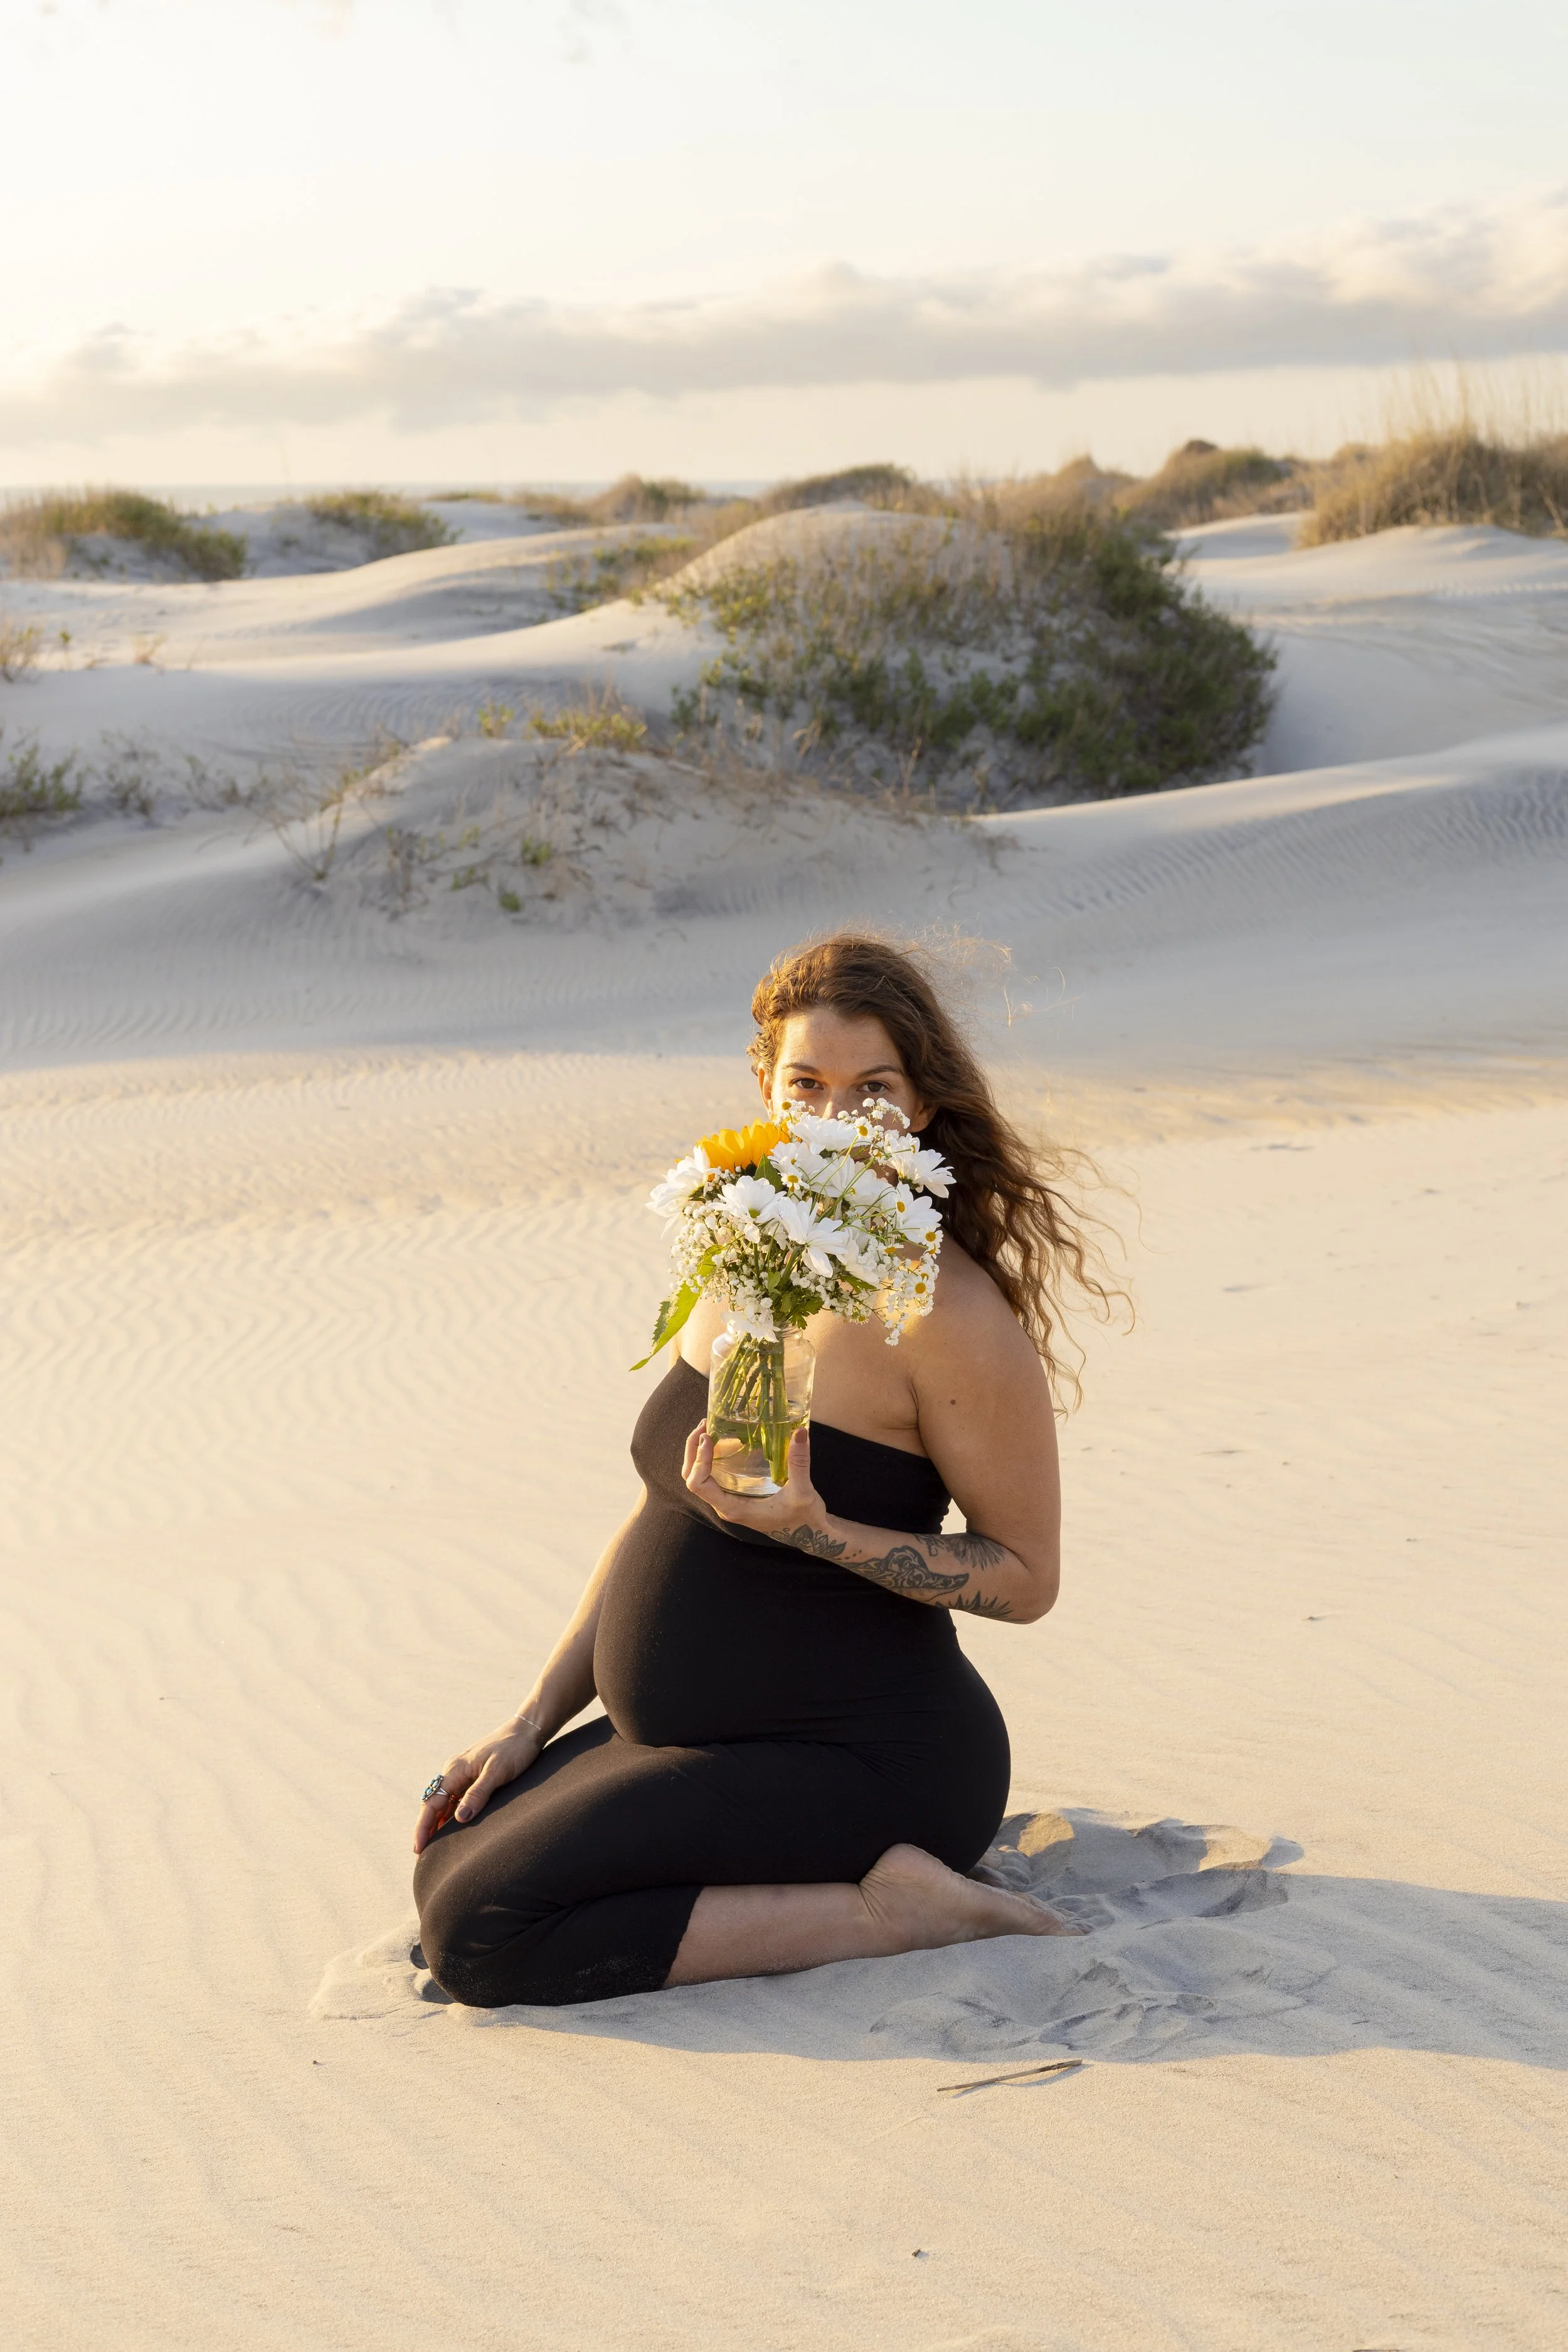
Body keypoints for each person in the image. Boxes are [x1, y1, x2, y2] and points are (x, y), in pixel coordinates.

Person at [413, 933, 1110, 2006]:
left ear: (923, 1104)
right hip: (715, 1737)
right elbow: (667, 1510)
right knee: (449, 1859)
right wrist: (530, 1717)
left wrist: (816, 1529)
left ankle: (894, 1911)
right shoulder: (751, 1252)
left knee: (484, 1934)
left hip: (869, 1754)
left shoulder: (946, 1315)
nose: (836, 1119)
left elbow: (1026, 1576)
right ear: (765, 1089)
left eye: (873, 1088)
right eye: (808, 1085)